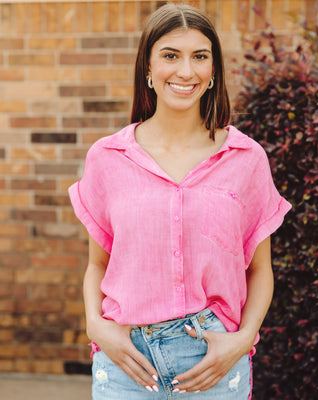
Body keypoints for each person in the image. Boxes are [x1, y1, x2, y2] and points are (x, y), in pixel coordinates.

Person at [68, 3, 291, 399]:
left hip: (214, 360)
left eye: (199, 57)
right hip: (126, 362)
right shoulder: (107, 158)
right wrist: (94, 324)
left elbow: (260, 270)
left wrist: (242, 341)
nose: (186, 71)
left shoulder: (246, 158)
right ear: (149, 69)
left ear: (213, 71)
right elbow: (97, 265)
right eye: (171, 55)